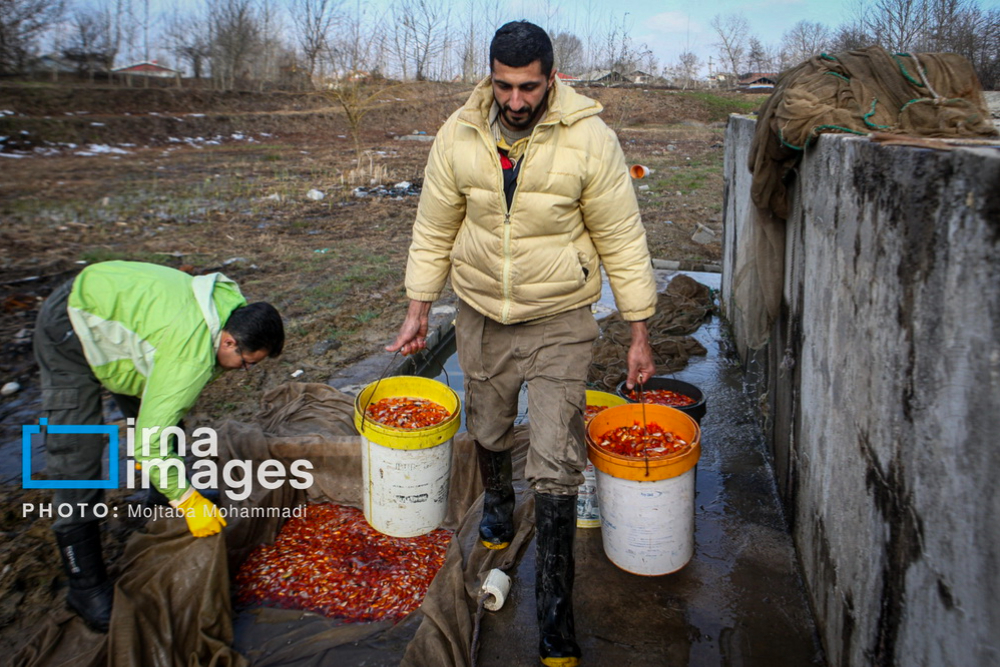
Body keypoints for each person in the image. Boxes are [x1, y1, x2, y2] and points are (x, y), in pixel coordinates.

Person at [388, 20, 656, 667]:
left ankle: (556, 618)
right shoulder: (458, 136)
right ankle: (499, 502)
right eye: (504, 86)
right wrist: (419, 308)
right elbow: (433, 227)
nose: (515, 100)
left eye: (528, 86)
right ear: (491, 77)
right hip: (482, 311)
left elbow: (623, 235)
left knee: (558, 456)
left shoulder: (590, 140)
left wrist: (639, 328)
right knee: (488, 420)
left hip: (561, 315)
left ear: (551, 78)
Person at [32, 260, 285, 632]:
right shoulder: (190, 355)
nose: (242, 372)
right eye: (245, 363)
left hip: (122, 317)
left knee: (165, 420)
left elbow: (161, 417)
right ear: (229, 340)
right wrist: (189, 502)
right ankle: (83, 586)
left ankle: (160, 496)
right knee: (77, 456)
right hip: (72, 324)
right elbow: (148, 444)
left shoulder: (228, 310)